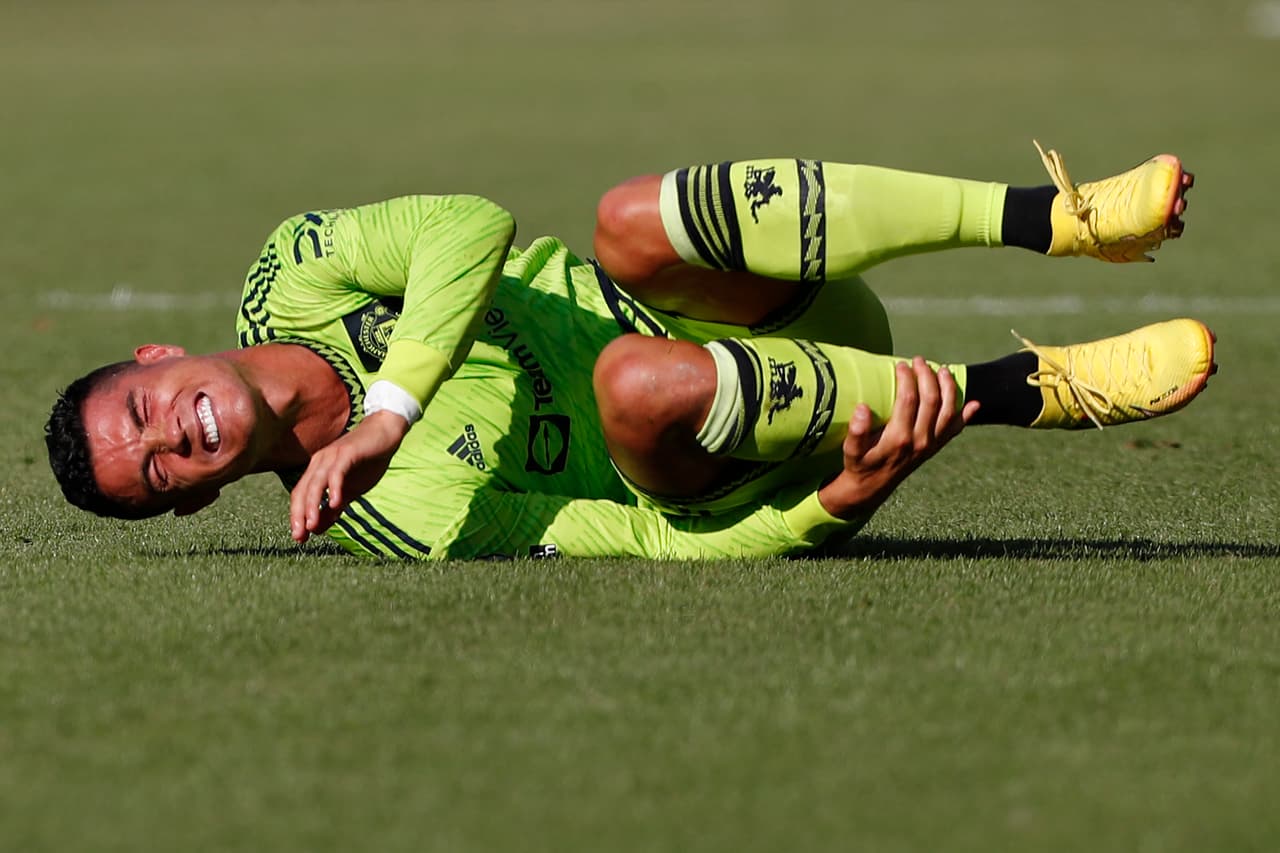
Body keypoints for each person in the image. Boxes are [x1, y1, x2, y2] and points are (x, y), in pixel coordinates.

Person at [45, 142, 1213, 559]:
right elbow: (638, 539)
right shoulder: (396, 520)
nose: (170, 437)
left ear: (157, 353)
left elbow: (469, 222)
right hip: (741, 425)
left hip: (755, 307)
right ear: (194, 502)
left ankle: (1056, 219)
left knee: (624, 219)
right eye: (155, 472)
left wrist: (389, 406)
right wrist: (827, 510)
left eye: (140, 411)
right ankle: (1032, 389)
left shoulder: (287, 271)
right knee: (631, 382)